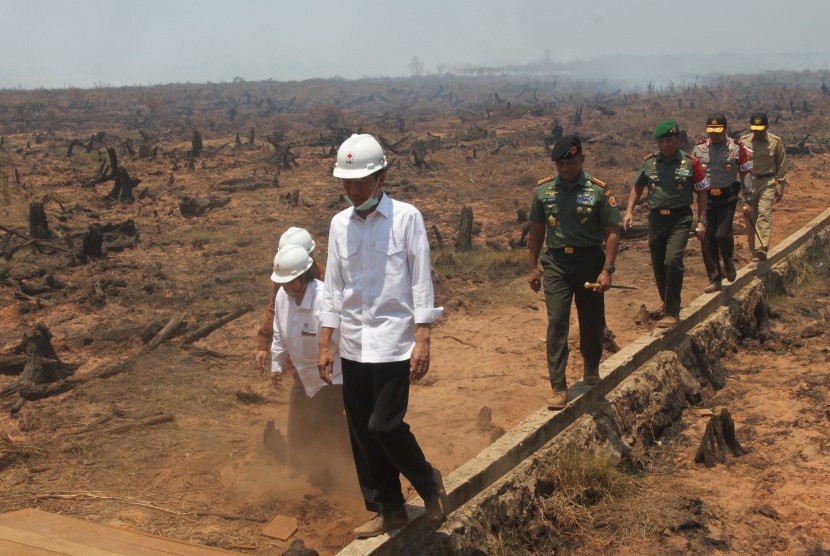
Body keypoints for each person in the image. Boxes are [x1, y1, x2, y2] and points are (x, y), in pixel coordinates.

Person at [317, 133, 447, 538]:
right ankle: (387, 507)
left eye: (361, 182)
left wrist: (422, 337)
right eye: (347, 183)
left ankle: (428, 482)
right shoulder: (339, 225)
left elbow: (421, 280)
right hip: (353, 343)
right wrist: (325, 342)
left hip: (393, 341)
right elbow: (334, 287)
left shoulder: (407, 219)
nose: (354, 191)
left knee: (384, 425)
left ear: (382, 178)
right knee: (360, 429)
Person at [527, 135, 621, 411]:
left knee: (591, 320)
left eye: (570, 162)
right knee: (557, 321)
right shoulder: (544, 192)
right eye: (560, 164)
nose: (565, 168)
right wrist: (533, 266)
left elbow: (612, 233)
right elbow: (536, 231)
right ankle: (558, 386)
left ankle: (591, 368)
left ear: (582, 159)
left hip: (590, 261)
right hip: (556, 264)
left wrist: (607, 270)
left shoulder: (598, 191)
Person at [269, 244, 350, 487]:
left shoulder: (324, 299)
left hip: (332, 376)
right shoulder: (283, 297)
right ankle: (307, 470)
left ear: (304, 276)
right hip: (303, 374)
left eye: (291, 281)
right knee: (301, 423)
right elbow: (278, 332)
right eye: (282, 282)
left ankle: (335, 476)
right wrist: (276, 363)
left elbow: (343, 339)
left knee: (324, 424)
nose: (285, 287)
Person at [623, 120, 709, 328]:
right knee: (659, 264)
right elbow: (637, 187)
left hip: (680, 218)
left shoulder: (690, 163)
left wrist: (702, 220)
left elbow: (702, 192)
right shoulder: (650, 163)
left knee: (672, 260)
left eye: (669, 141)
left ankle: (672, 311)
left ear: (677, 140)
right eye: (661, 142)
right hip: (656, 220)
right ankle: (666, 301)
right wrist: (628, 212)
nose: (665, 146)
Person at [691, 114, 751, 292]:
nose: (714, 135)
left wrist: (750, 199)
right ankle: (715, 277)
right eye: (711, 131)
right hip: (706, 200)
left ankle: (728, 260)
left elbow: (745, 172)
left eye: (718, 131)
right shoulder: (699, 149)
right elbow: (691, 174)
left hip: (727, 198)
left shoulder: (736, 148)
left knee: (723, 234)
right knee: (707, 240)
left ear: (725, 129)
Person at [739, 112, 789, 262]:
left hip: (767, 182)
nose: (757, 131)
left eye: (760, 128)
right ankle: (755, 251)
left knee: (763, 213)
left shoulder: (775, 142)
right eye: (754, 128)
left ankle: (762, 248)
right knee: (750, 218)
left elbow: (782, 164)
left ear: (766, 127)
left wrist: (780, 185)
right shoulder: (743, 142)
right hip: (748, 184)